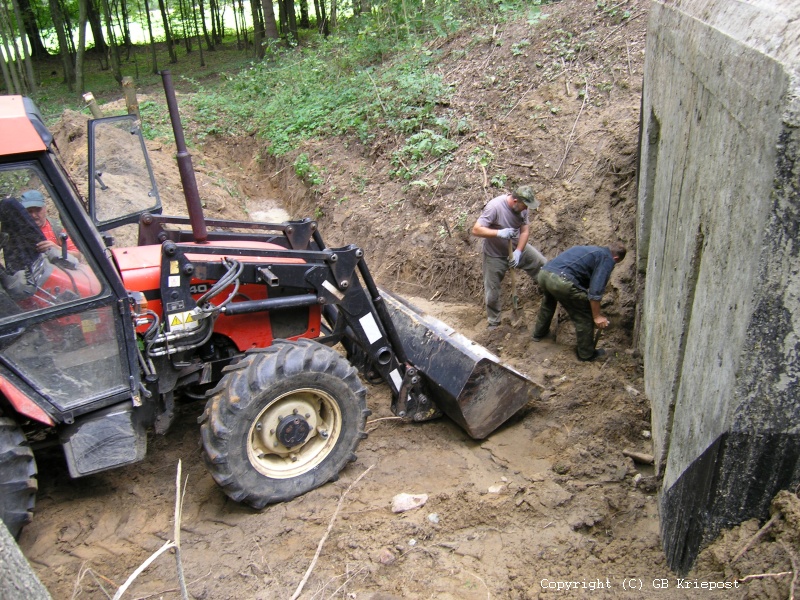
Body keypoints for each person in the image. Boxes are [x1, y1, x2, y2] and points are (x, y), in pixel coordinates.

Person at [532, 242, 627, 361]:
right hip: (561, 280)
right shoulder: (606, 259)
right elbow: (595, 292)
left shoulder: (591, 250)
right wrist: (597, 316)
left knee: (548, 304)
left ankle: (539, 334)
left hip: (545, 274)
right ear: (616, 258)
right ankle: (586, 354)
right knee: (584, 315)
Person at [472, 186, 547, 329]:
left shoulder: (522, 208)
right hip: (494, 254)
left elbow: (524, 231)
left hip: (516, 247)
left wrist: (518, 251)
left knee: (542, 264)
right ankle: (494, 323)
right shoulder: (494, 207)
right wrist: (499, 233)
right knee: (492, 292)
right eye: (524, 206)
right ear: (515, 200)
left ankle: (550, 293)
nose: (526, 209)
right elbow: (476, 230)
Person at [19, 190, 80, 259]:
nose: (33, 215)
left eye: (38, 210)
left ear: (45, 209)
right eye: (29, 211)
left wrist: (56, 248)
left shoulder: (57, 228)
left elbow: (77, 256)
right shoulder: (20, 232)